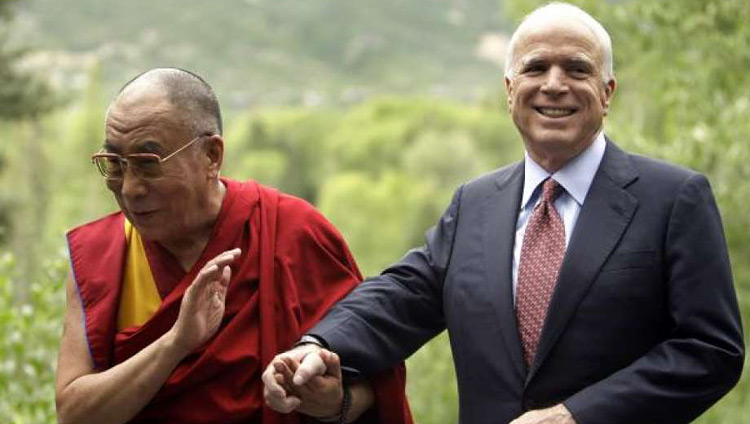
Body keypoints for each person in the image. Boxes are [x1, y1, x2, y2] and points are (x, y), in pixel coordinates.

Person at [263, 3, 745, 424]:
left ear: (608, 91)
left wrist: (578, 416)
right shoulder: (475, 203)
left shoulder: (673, 197)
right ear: (510, 89)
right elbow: (402, 295)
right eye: (536, 68)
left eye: (577, 69)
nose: (554, 85)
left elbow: (711, 351)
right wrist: (317, 346)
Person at [55, 68, 413, 424]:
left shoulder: (293, 233)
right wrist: (176, 343)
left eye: (148, 165)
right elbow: (74, 414)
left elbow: (376, 380)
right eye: (114, 164)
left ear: (212, 155)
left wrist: (333, 404)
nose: (130, 188)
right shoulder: (101, 255)